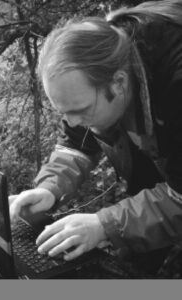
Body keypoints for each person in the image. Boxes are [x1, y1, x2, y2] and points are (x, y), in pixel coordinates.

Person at [9, 0, 182, 272]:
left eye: (80, 110)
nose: (74, 122)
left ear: (120, 83)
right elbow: (75, 143)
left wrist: (105, 224)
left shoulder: (175, 88)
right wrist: (49, 188)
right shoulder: (101, 54)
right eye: (64, 112)